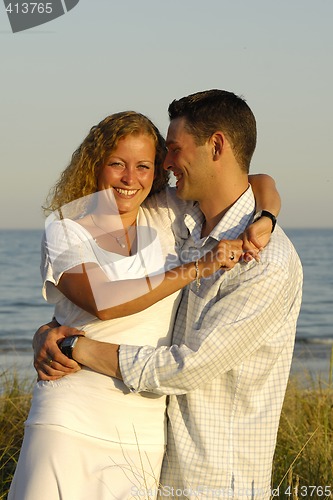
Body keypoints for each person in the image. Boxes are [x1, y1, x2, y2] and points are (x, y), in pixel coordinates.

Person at [9, 109, 280, 500]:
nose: (130, 179)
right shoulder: (65, 229)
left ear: (157, 171)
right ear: (95, 165)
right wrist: (200, 266)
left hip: (144, 430)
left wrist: (267, 215)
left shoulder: (163, 212)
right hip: (68, 419)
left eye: (143, 166)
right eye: (117, 164)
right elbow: (103, 302)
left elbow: (251, 181)